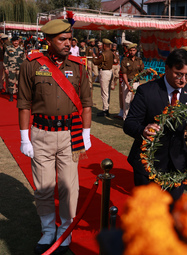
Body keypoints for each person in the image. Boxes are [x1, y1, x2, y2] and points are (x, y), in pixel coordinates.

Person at [17, 19, 92, 255]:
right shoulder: (31, 65)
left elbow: (88, 104)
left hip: (71, 135)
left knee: (69, 187)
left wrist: (87, 133)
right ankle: (48, 229)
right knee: (43, 188)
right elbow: (24, 103)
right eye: (62, 39)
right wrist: (24, 137)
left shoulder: (79, 65)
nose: (68, 44)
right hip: (41, 134)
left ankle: (65, 231)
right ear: (48, 40)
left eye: (70, 39)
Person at [123, 49, 187, 200]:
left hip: (177, 164)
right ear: (167, 69)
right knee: (149, 212)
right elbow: (129, 123)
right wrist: (143, 130)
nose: (184, 80)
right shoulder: (147, 91)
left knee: (173, 211)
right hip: (147, 164)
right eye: (179, 74)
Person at [121, 43, 144, 120]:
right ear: (128, 51)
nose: (132, 52)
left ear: (136, 51)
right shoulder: (125, 60)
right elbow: (124, 74)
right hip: (128, 82)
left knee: (135, 102)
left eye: (133, 50)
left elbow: (142, 71)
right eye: (130, 50)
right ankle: (125, 119)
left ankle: (133, 119)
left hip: (136, 83)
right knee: (126, 102)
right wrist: (127, 85)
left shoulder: (139, 60)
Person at [93, 38, 114, 117]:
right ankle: (106, 108)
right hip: (110, 71)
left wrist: (94, 57)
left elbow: (96, 62)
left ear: (104, 45)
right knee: (108, 92)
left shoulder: (104, 54)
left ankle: (105, 109)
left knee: (104, 92)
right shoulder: (111, 53)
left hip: (104, 72)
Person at [3, 35, 25, 101]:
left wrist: (24, 68)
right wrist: (5, 68)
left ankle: (18, 96)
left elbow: (24, 59)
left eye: (17, 41)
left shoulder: (22, 49)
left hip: (19, 68)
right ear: (12, 42)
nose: (15, 42)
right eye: (14, 41)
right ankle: (11, 96)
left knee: (19, 83)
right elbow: (5, 59)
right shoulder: (8, 48)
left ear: (19, 41)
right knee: (11, 82)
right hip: (11, 69)